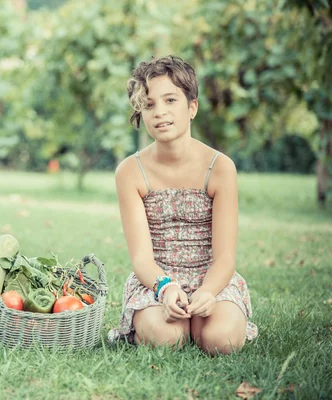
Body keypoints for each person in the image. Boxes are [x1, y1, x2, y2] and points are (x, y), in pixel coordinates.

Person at [108, 56, 258, 355]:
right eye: (149, 105)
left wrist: (208, 292)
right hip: (156, 280)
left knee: (221, 341)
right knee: (167, 340)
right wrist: (165, 287)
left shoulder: (220, 167)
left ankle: (207, 320)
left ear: (192, 107)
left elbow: (225, 257)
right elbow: (141, 259)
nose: (159, 112)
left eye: (170, 100)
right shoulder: (129, 171)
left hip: (212, 277)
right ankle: (164, 323)